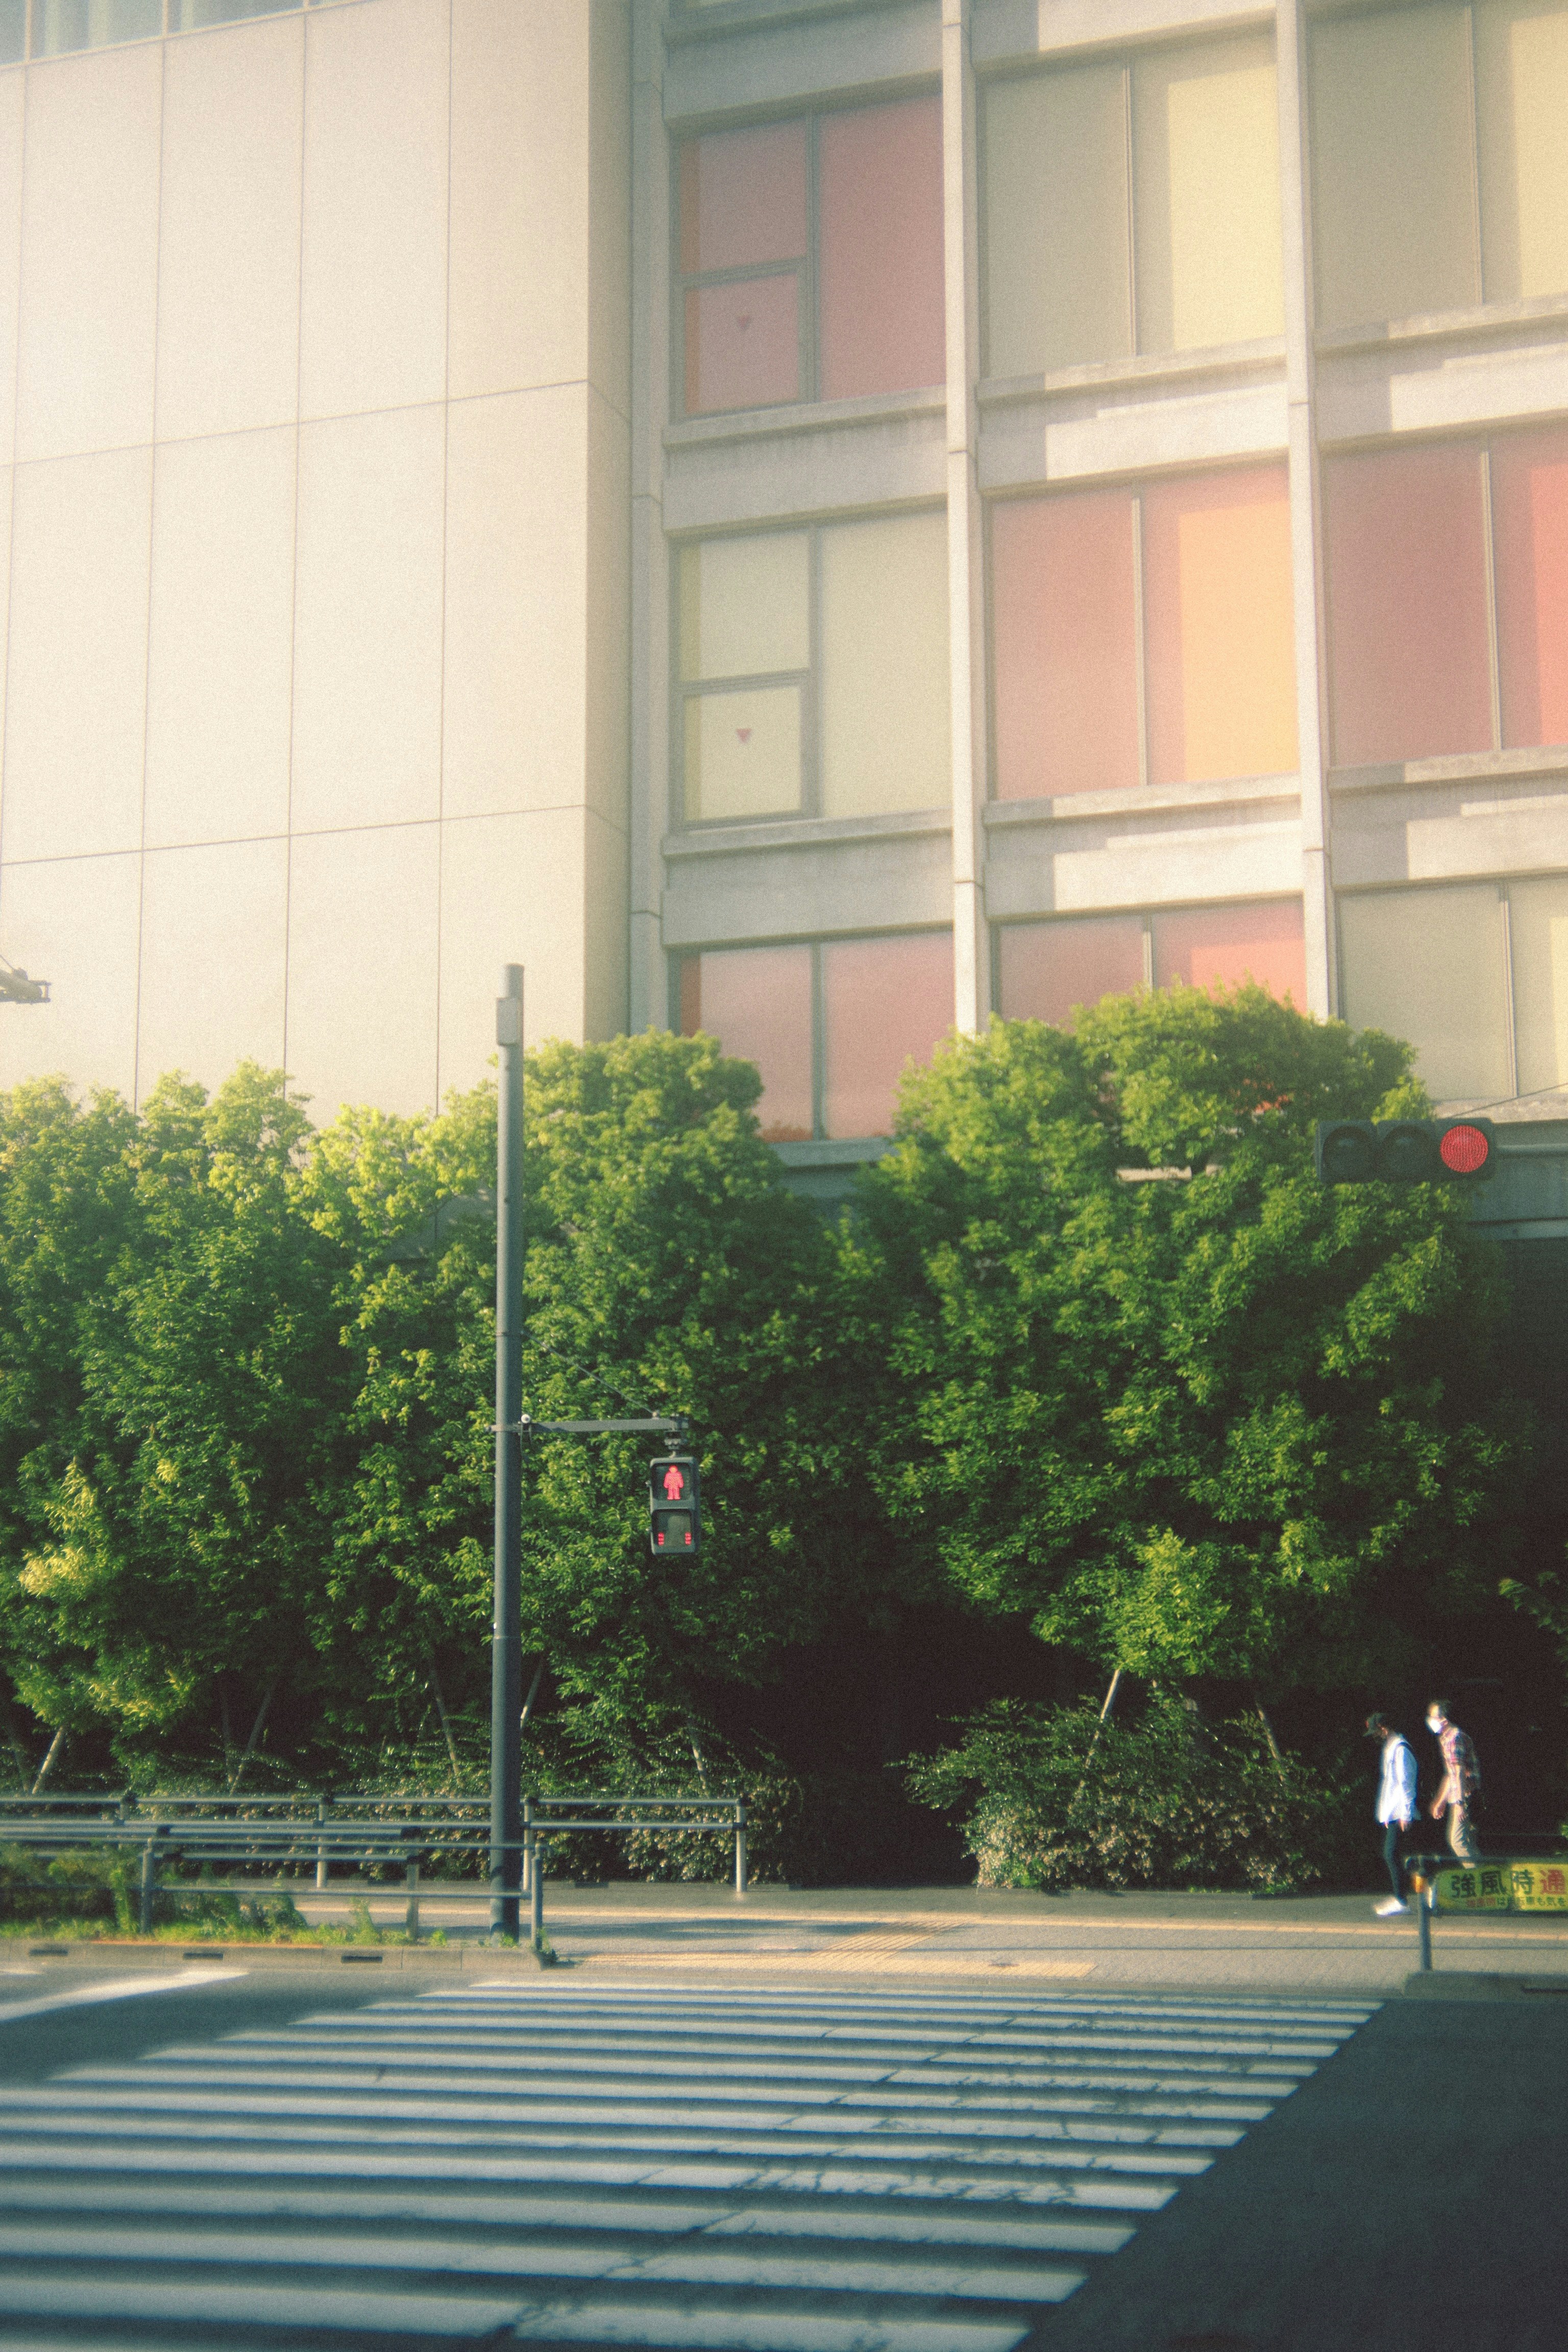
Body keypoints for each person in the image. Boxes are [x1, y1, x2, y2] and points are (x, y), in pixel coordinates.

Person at [1366, 1712, 1417, 1916]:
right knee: (1398, 1855)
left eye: (1375, 1731)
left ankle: (1402, 1900)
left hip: (1402, 1812)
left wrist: (1406, 1813)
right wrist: (1386, 1814)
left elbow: (1406, 1783)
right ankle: (1407, 1895)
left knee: (1391, 1854)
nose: (1374, 1736)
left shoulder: (1401, 1749)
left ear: (1384, 1728)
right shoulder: (1390, 1748)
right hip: (1393, 1812)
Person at [1425, 1698, 1483, 1864]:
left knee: (1458, 1841)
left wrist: (1459, 1802)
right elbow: (1450, 1774)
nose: (1431, 1720)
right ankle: (1484, 1881)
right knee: (1469, 1842)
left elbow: (1458, 1772)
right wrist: (1442, 1801)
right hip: (1461, 1795)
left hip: (1465, 1795)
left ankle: (1477, 1881)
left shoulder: (1455, 1738)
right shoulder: (1446, 1739)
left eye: (1434, 1716)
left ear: (1444, 1719)